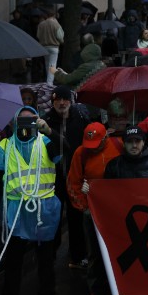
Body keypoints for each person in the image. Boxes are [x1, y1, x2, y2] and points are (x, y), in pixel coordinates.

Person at [0, 107, 64, 295]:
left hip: (43, 209)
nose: (27, 126)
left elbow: (67, 152)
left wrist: (49, 132)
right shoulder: (4, 146)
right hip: (16, 210)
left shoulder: (45, 142)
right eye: (22, 121)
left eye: (32, 121)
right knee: (13, 259)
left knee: (46, 256)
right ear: (14, 123)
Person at [103, 127, 148, 295]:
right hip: (124, 224)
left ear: (144, 143)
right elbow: (105, 194)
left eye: (138, 141)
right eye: (130, 141)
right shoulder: (114, 166)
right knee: (126, 266)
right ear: (124, 143)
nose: (134, 145)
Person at [67, 122, 123, 295]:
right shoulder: (80, 153)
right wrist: (84, 206)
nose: (93, 149)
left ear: (106, 138)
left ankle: (122, 288)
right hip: (93, 210)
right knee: (94, 252)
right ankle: (97, 291)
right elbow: (73, 182)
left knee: (119, 248)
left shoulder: (119, 145)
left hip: (116, 208)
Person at [43, 85, 90, 270]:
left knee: (75, 216)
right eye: (57, 100)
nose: (61, 103)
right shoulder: (46, 121)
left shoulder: (80, 118)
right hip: (52, 177)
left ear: (70, 101)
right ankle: (50, 254)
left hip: (74, 175)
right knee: (52, 217)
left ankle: (78, 256)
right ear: (53, 102)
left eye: (65, 99)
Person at [37, 11, 65, 84]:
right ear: (54, 15)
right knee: (52, 65)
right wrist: (61, 41)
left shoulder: (41, 24)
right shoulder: (56, 24)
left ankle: (48, 81)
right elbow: (60, 37)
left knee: (47, 65)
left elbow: (38, 36)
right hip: (54, 47)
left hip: (44, 47)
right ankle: (49, 83)